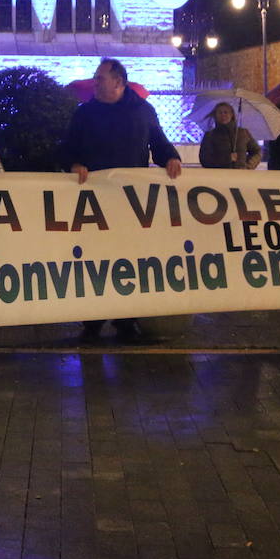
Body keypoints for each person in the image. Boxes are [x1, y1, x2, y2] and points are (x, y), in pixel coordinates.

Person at [57, 58, 181, 344]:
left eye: (100, 78)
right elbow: (66, 149)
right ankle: (93, 321)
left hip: (131, 201)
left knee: (129, 260)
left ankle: (127, 321)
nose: (95, 82)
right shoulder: (84, 113)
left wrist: (171, 158)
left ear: (118, 82)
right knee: (95, 260)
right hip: (94, 201)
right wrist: (74, 164)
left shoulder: (142, 111)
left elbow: (158, 143)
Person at [199, 102, 261, 169]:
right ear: (215, 115)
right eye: (220, 112)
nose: (223, 115)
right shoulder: (210, 136)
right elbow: (205, 160)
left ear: (231, 114)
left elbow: (256, 151)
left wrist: (249, 165)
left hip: (241, 175)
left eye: (226, 112)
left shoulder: (243, 133)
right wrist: (227, 158)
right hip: (219, 176)